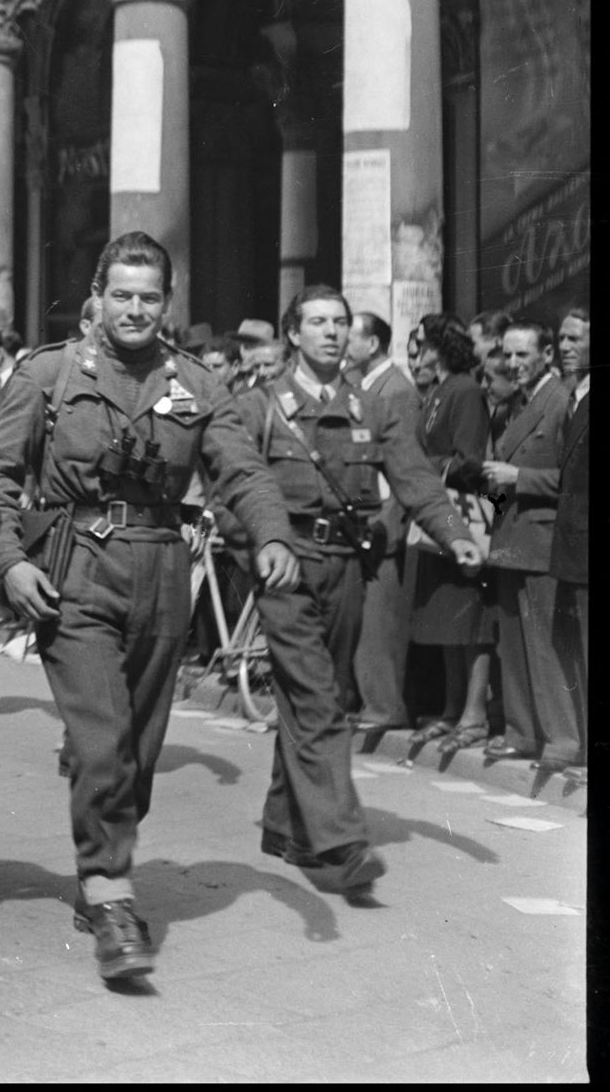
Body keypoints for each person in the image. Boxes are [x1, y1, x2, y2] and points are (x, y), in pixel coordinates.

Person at [0, 233, 298, 984]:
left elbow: (241, 470)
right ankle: (111, 893)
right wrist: (9, 560)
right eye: (121, 295)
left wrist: (270, 533)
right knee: (100, 741)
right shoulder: (50, 373)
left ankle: (101, 869)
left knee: (139, 749)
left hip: (161, 570)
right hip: (75, 568)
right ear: (97, 298)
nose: (134, 309)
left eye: (149, 297)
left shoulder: (196, 381)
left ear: (167, 302)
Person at [234, 287, 481, 893]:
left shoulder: (372, 406)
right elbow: (231, 490)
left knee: (320, 692)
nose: (331, 332)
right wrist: (259, 552)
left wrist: (454, 534)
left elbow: (414, 476)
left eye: (340, 322)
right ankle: (341, 840)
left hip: (346, 565)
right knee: (317, 696)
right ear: (293, 334)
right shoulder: (260, 405)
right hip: (286, 565)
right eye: (318, 322)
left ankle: (284, 823)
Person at [482, 320, 578, 771]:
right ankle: (522, 733)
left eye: (523, 354)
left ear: (546, 355)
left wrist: (518, 477)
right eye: (508, 354)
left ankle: (562, 740)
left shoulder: (560, 401)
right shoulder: (513, 404)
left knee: (544, 646)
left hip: (541, 538)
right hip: (509, 536)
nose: (513, 363)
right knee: (513, 646)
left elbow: (573, 479)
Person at [405, 315, 495, 751]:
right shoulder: (438, 392)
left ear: (440, 348)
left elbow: (469, 458)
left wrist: (424, 469)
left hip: (462, 516)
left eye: (423, 344)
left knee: (469, 620)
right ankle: (452, 709)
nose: (417, 352)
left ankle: (474, 715)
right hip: (438, 518)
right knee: (445, 619)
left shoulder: (465, 391)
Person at [345, 311, 421, 733]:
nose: (341, 343)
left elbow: (401, 466)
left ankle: (385, 706)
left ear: (372, 344)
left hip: (384, 522)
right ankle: (367, 701)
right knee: (363, 621)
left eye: (350, 336)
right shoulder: (364, 386)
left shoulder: (397, 390)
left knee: (380, 622)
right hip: (363, 517)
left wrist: (387, 527)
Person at [548, 306, 587, 780]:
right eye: (562, 339)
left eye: (575, 338)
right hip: (571, 548)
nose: (565, 347)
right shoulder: (574, 397)